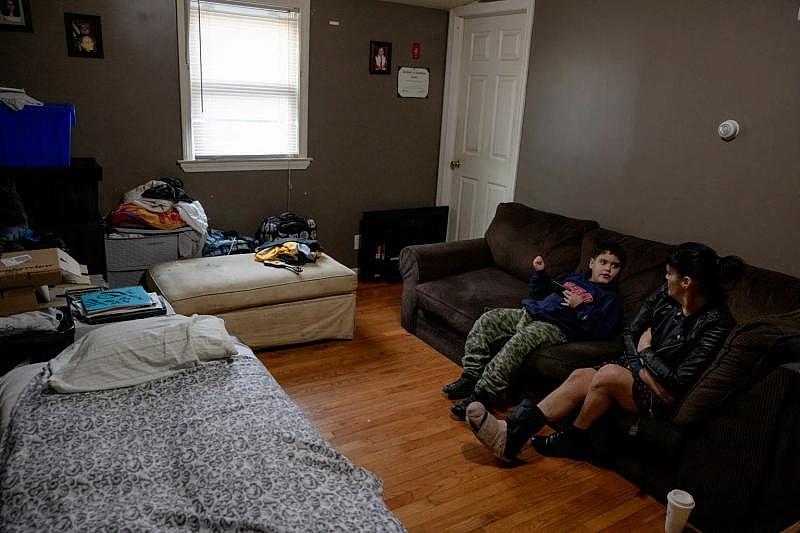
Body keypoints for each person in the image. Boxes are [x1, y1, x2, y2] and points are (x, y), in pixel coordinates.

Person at [466, 242, 744, 463]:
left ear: (686, 282)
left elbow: (677, 382)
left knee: (608, 373)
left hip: (662, 397)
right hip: (643, 377)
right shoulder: (664, 298)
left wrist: (645, 352)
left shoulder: (716, 324)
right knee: (580, 376)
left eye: (670, 274)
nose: (665, 278)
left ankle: (568, 438)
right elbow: (629, 335)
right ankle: (512, 436)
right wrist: (642, 366)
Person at [444, 241, 626, 420]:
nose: (608, 269)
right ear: (592, 263)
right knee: (487, 320)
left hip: (555, 327)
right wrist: (540, 273)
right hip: (530, 312)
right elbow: (539, 292)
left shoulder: (611, 299)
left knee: (519, 341)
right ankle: (470, 376)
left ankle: (484, 395)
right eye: (603, 262)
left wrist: (580, 307)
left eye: (614, 266)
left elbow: (602, 331)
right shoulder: (572, 279)